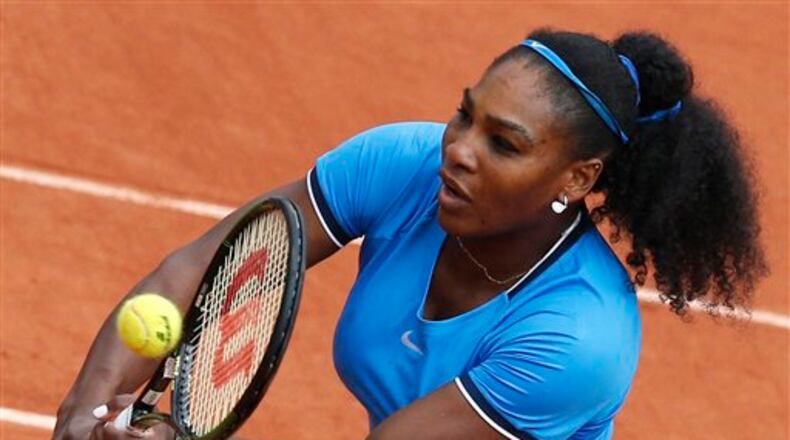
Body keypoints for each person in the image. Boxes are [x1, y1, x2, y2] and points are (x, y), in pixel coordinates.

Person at [54, 28, 767, 440]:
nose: (458, 150)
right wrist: (84, 417)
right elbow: (197, 273)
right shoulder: (405, 166)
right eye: (465, 115)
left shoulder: (577, 338)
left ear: (577, 179)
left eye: (504, 144)